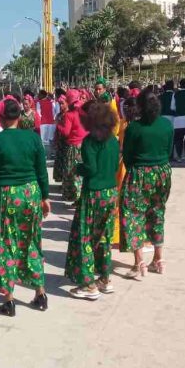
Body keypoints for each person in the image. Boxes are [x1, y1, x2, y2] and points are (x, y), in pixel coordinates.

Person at [0, 98, 50, 316]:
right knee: (32, 241)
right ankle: (40, 293)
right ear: (19, 117)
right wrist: (45, 196)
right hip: (30, 192)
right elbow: (41, 170)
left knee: (5, 244)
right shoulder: (33, 138)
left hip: (6, 195)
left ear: (1, 118)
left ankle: (9, 300)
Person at [65, 101, 119, 300]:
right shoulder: (113, 140)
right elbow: (114, 166)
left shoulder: (89, 142)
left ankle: (88, 284)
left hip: (94, 194)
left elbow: (91, 169)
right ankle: (105, 278)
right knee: (104, 236)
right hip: (110, 192)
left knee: (85, 237)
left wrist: (77, 168)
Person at [120, 88, 173, 278]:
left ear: (140, 107)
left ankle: (139, 262)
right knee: (157, 212)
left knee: (134, 214)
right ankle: (159, 259)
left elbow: (127, 155)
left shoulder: (134, 128)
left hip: (139, 172)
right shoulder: (167, 124)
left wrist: (136, 170)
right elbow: (169, 151)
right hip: (162, 172)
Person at [57, 90, 88, 202]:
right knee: (82, 172)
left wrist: (59, 126)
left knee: (71, 172)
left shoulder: (69, 115)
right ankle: (82, 196)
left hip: (73, 147)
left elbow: (66, 133)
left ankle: (72, 196)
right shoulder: (84, 112)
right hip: (85, 146)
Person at [171, 79, 185, 162]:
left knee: (178, 140)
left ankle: (179, 157)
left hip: (178, 120)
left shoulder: (175, 94)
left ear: (180, 85)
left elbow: (172, 107)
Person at [52, 94, 69, 183]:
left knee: (66, 163)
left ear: (67, 103)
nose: (61, 106)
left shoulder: (69, 115)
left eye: (62, 103)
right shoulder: (58, 115)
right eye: (59, 104)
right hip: (60, 142)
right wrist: (55, 139)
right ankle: (62, 181)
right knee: (60, 162)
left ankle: (66, 183)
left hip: (67, 142)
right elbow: (56, 129)